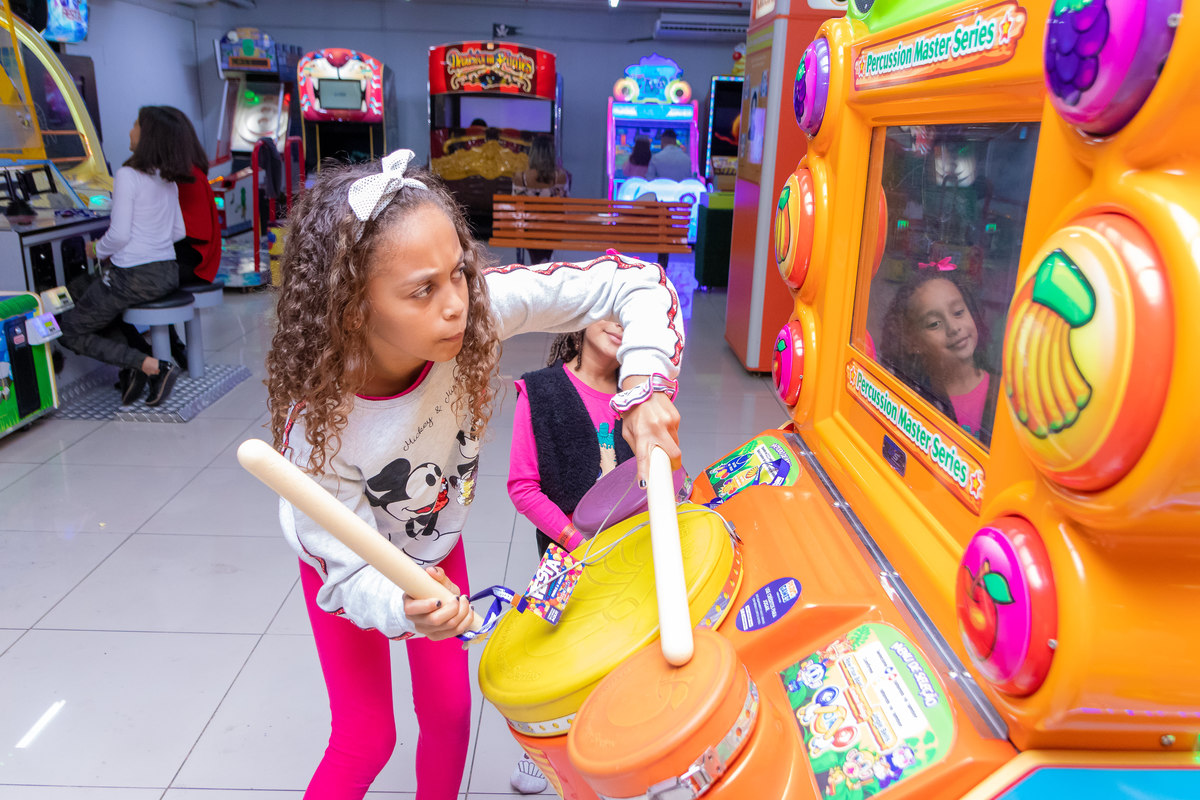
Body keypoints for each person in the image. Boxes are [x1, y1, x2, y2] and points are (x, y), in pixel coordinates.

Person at [264, 148, 683, 800]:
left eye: (459, 273)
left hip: (436, 544)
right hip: (350, 565)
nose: (456, 303)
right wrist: (399, 604)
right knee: (366, 737)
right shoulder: (318, 431)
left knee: (453, 717)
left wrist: (645, 382)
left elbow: (637, 283)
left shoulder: (479, 312)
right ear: (352, 308)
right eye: (422, 290)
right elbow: (346, 572)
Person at [60, 105, 190, 407]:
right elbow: (178, 231)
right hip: (165, 272)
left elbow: (118, 235)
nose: (130, 130)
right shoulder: (166, 178)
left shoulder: (128, 174)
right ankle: (132, 369)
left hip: (131, 276)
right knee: (76, 291)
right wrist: (151, 242)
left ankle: (152, 367)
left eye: (136, 125)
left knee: (68, 330)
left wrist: (96, 249)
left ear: (148, 136)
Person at [508, 321, 629, 559]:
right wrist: (578, 544)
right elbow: (523, 489)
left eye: (628, 315)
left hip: (630, 546)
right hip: (570, 556)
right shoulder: (539, 391)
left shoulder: (639, 397)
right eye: (610, 308)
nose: (619, 323)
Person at [878, 261, 996, 444]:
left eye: (958, 312)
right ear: (912, 342)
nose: (953, 328)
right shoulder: (913, 397)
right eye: (934, 324)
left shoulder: (1001, 394)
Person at [511, 134, 569, 264]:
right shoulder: (560, 176)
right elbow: (563, 206)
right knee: (549, 230)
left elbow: (516, 206)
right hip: (553, 231)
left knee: (533, 235)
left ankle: (538, 263)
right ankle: (543, 262)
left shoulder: (520, 177)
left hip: (527, 230)